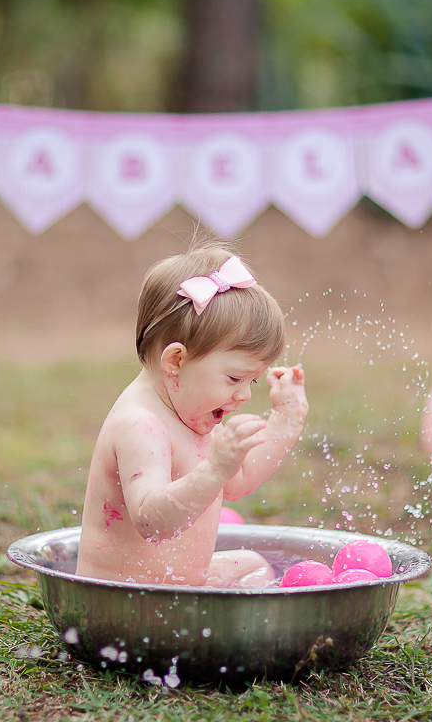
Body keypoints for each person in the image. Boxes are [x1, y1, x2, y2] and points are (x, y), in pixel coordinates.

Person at [76, 244, 308, 587]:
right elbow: (152, 523)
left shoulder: (190, 411)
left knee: (252, 565)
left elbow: (238, 480)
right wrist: (213, 469)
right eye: (234, 378)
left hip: (179, 590)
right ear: (176, 362)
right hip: (125, 597)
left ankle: (229, 624)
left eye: (253, 380)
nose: (245, 395)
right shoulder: (141, 425)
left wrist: (287, 419)